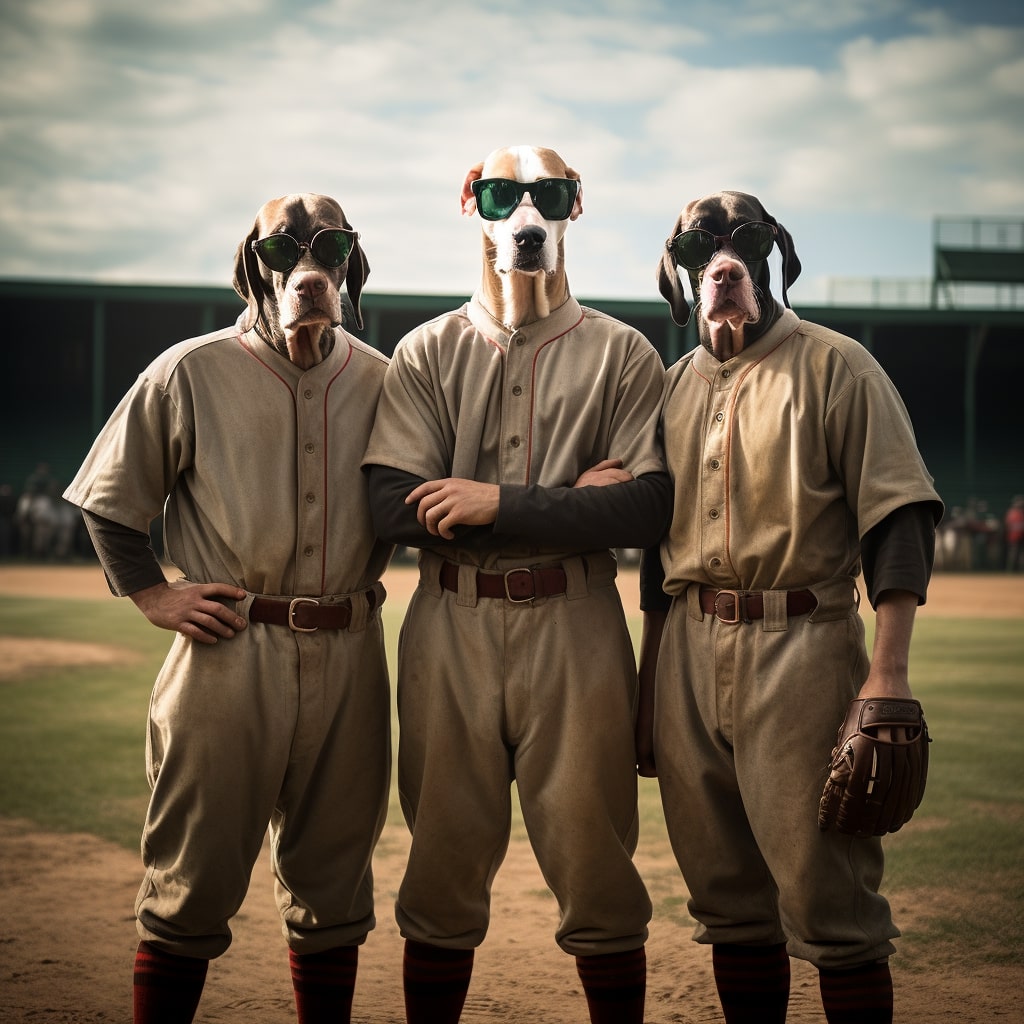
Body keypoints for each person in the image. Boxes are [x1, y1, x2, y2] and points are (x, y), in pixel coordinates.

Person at [64, 193, 393, 1024]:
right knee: (189, 886)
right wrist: (152, 593)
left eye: (329, 250)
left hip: (351, 653)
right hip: (227, 652)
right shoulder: (189, 368)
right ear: (254, 267)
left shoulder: (385, 380)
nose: (308, 269)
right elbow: (110, 503)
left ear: (352, 267)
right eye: (287, 252)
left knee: (334, 887)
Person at [362, 145, 671, 1024]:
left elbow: (647, 511)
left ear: (574, 208)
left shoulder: (624, 352)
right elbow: (388, 504)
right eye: (504, 195)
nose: (526, 216)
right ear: (473, 207)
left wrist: (495, 502)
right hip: (448, 628)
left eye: (549, 196)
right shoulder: (424, 351)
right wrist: (572, 503)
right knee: (441, 867)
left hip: (577, 623)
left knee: (598, 868)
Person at [639, 189, 944, 1023]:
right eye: (703, 249)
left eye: (744, 243)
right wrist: (646, 693)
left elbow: (901, 516)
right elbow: (652, 557)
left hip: (803, 645)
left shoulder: (838, 365)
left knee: (830, 908)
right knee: (728, 905)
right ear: (680, 273)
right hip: (687, 652)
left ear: (776, 258)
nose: (725, 260)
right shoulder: (668, 388)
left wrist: (887, 678)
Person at [1004, 496, 1024, 572]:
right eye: (1018, 502)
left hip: (1022, 536)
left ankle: (1021, 569)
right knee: (1013, 553)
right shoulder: (1011, 512)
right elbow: (1008, 525)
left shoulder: (1022, 512)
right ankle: (1010, 569)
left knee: (1022, 555)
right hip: (1014, 537)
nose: (1020, 503)